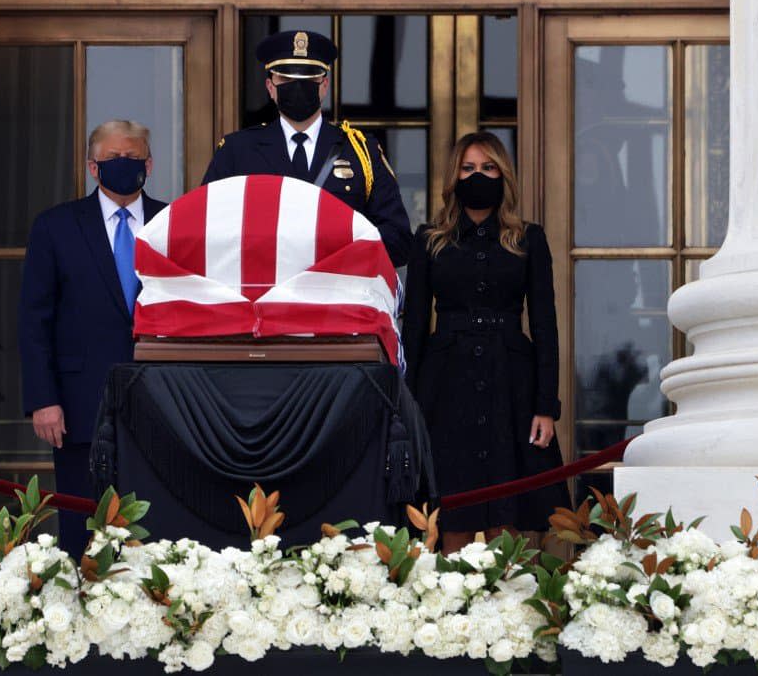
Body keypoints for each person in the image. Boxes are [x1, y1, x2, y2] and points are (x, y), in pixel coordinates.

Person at [402, 131, 569, 553]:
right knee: (450, 515)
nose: (479, 176)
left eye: (489, 167)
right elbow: (415, 327)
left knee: (507, 517)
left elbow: (545, 326)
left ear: (504, 175)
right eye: (469, 168)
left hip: (511, 381)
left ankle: (508, 610)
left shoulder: (528, 238)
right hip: (446, 383)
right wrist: (408, 406)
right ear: (454, 177)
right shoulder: (429, 239)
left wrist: (546, 407)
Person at [19, 119, 166, 559]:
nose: (125, 165)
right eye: (112, 159)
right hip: (80, 402)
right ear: (92, 167)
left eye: (133, 157)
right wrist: (43, 399)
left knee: (155, 528)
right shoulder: (56, 226)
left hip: (162, 399)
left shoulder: (172, 223)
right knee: (82, 527)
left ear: (150, 163)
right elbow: (35, 319)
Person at [202, 30, 412, 267]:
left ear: (324, 86)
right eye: (287, 80)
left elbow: (399, 240)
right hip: (263, 296)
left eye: (308, 80)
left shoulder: (361, 152)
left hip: (337, 294)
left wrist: (340, 249)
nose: (298, 87)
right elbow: (204, 228)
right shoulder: (237, 151)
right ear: (270, 87)